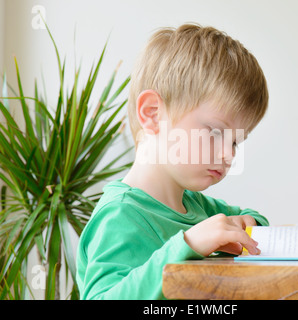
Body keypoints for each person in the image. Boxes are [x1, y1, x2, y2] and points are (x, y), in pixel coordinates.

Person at [76, 23, 269, 300]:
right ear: (153, 114)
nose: (229, 154)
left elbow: (256, 218)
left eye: (236, 141)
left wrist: (251, 224)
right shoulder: (120, 216)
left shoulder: (194, 205)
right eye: (216, 132)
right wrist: (187, 245)